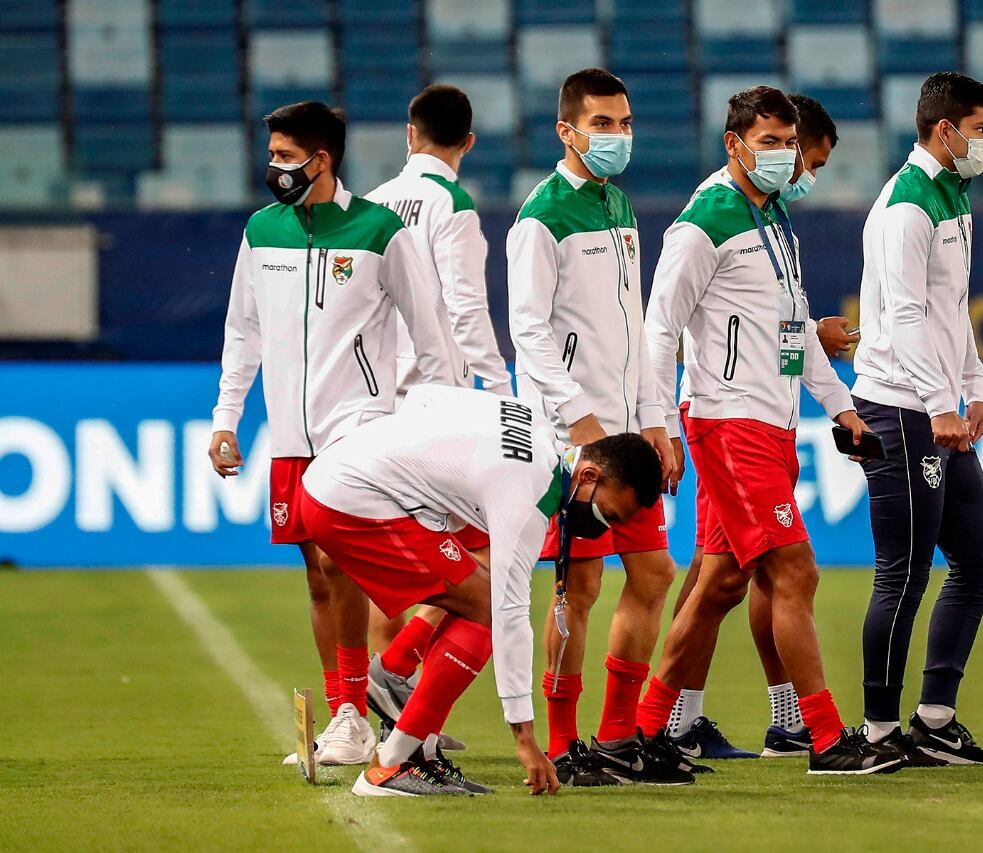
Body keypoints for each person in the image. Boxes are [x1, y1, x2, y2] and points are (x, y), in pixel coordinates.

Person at [642, 85, 899, 776]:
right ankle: (822, 736)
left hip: (771, 424)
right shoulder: (705, 221)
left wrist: (840, 408)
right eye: (771, 143)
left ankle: (645, 730)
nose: (785, 157)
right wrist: (660, 424)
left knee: (721, 583)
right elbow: (660, 327)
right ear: (734, 145)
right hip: (729, 422)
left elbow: (796, 331)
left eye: (790, 144)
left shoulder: (774, 220)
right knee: (795, 570)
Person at [208, 101, 457, 767]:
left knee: (339, 564)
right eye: (273, 158)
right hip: (290, 435)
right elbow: (243, 331)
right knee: (318, 578)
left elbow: (432, 336)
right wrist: (225, 419)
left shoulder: (379, 231)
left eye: (287, 158)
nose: (275, 169)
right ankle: (361, 705)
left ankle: (353, 713)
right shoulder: (262, 231)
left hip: (360, 432)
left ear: (323, 160)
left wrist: (438, 421)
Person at [295, 383, 664, 796]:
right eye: (606, 513)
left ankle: (417, 746)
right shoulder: (528, 497)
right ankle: (393, 764)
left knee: (476, 595)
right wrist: (524, 736)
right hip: (352, 500)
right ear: (589, 474)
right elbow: (510, 615)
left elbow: (425, 397)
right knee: (490, 608)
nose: (602, 526)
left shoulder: (533, 425)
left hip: (336, 473)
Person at [506, 68, 687, 787]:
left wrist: (655, 419)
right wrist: (578, 419)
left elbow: (636, 329)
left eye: (624, 122)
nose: (617, 135)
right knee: (575, 589)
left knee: (652, 572)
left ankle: (616, 737)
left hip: (628, 436)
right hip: (570, 442)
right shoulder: (540, 217)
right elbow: (528, 331)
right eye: (603, 123)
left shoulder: (619, 206)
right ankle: (561, 743)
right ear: (567, 130)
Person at [853, 71, 983, 766]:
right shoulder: (907, 205)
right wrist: (939, 400)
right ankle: (879, 732)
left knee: (978, 561)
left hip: (940, 404)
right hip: (900, 406)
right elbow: (906, 314)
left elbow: (952, 306)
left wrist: (972, 385)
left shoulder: (950, 194)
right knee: (903, 573)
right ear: (944, 129)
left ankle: (934, 717)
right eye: (980, 129)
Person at [361, 84, 513, 719]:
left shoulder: (368, 205)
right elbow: (466, 307)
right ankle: (401, 695)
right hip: (435, 402)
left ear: (409, 133)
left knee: (388, 564)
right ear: (468, 143)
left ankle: (382, 707)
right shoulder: (450, 204)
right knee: (474, 552)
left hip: (373, 400)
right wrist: (502, 393)